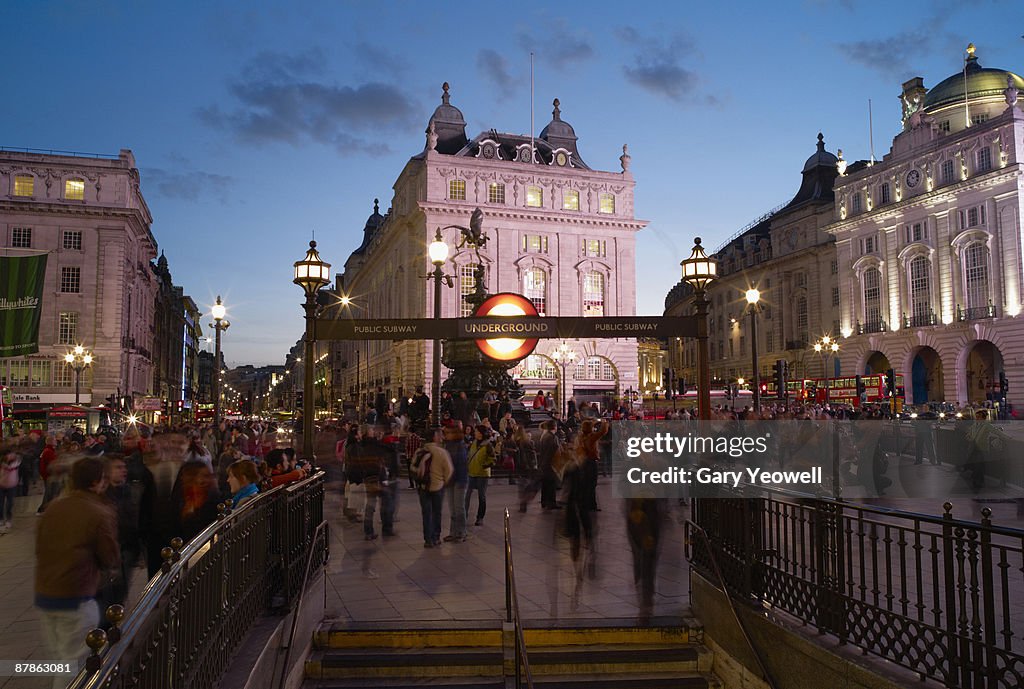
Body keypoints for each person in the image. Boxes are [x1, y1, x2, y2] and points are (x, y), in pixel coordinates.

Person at [35, 456, 120, 689]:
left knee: (61, 660)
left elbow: (39, 546)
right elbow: (110, 557)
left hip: (45, 593)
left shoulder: (54, 506)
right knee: (73, 663)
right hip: (76, 595)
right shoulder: (97, 511)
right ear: (97, 482)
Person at [411, 427, 454, 548]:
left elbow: (413, 467)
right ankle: (436, 537)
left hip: (423, 487)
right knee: (436, 512)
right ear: (435, 437)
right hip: (437, 487)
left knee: (426, 513)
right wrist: (443, 481)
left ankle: (427, 539)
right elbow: (449, 470)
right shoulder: (441, 452)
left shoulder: (420, 451)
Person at [442, 424, 469, 542]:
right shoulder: (447, 445)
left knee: (459, 508)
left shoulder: (460, 446)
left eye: (448, 433)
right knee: (452, 508)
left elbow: (462, 464)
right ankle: (453, 532)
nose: (446, 435)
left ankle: (461, 532)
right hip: (450, 480)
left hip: (459, 480)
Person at [465, 425, 496, 526]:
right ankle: (464, 515)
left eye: (477, 431)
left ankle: (480, 517)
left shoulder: (488, 445)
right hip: (471, 472)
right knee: (467, 495)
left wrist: (485, 465)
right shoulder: (474, 443)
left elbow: (493, 459)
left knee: (481, 496)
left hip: (482, 474)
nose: (475, 433)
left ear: (481, 433)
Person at [537, 421, 561, 510]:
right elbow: (555, 450)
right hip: (550, 463)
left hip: (544, 463)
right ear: (554, 427)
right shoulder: (552, 437)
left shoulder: (544, 436)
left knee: (545, 484)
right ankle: (551, 502)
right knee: (551, 483)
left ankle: (544, 501)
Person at [0, 447, 21, 532]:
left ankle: (8, 519)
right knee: (0, 503)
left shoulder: (16, 462)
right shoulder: (2, 463)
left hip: (12, 485)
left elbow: (11, 467)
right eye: (9, 454)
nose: (11, 456)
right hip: (1, 485)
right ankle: (1, 519)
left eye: (12, 454)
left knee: (10, 503)